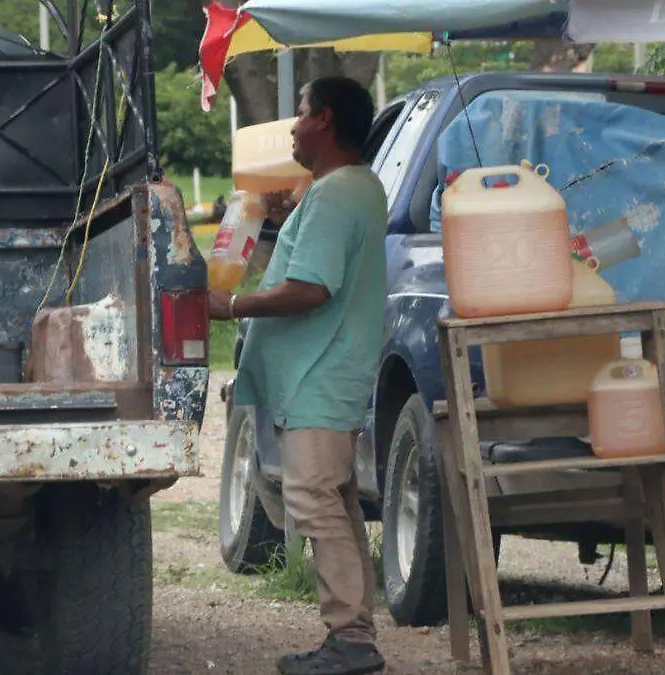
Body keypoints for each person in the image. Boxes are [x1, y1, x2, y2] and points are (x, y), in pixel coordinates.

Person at [208, 76, 388, 675]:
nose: (291, 124)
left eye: (302, 112)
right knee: (335, 499)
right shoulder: (354, 187)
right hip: (333, 370)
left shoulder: (337, 194)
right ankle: (354, 633)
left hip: (321, 371)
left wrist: (230, 306)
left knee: (313, 497)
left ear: (326, 121)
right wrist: (292, 212)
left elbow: (311, 287)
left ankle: (352, 642)